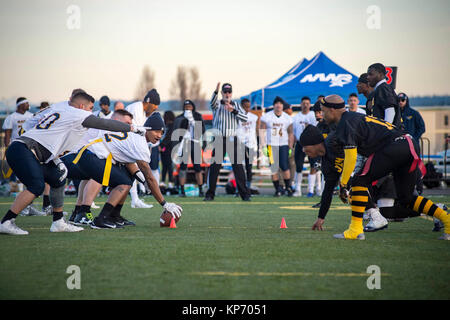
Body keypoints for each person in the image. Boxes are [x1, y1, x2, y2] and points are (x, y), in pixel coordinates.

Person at [0, 91, 144, 235]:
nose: (91, 112)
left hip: (25, 147)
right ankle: (6, 222)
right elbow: (103, 123)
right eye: (90, 108)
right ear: (82, 106)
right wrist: (131, 128)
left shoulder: (58, 107)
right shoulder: (79, 114)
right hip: (26, 150)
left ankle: (58, 222)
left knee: (58, 177)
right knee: (36, 186)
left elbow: (29, 122)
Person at [320, 94, 449, 240]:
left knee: (358, 181)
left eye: (323, 110)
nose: (322, 114)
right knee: (407, 198)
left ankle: (355, 229)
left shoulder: (346, 122)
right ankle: (447, 220)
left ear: (332, 110)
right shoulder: (352, 117)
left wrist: (343, 183)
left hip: (396, 146)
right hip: (408, 144)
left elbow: (351, 156)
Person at [72, 111, 182, 229]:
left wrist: (142, 180)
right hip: (92, 156)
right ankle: (101, 218)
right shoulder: (141, 143)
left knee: (128, 178)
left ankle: (113, 215)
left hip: (91, 154)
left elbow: (129, 162)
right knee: (124, 181)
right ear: (147, 129)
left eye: (162, 132)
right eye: (156, 131)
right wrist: (164, 203)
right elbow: (150, 176)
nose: (159, 135)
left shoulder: (138, 134)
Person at [203, 83, 251, 201]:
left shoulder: (236, 105)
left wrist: (233, 111)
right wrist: (215, 91)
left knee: (238, 167)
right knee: (215, 167)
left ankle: (244, 194)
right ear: (222, 93)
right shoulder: (218, 104)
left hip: (232, 138)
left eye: (229, 92)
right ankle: (210, 194)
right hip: (219, 138)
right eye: (225, 92)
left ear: (232, 93)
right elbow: (212, 103)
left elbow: (245, 118)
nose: (227, 94)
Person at [125, 89, 161, 208]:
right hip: (122, 146)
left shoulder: (142, 111)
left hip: (127, 146)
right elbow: (136, 132)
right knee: (126, 177)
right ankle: (134, 199)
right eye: (155, 105)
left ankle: (135, 199)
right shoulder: (136, 109)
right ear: (149, 102)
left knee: (128, 176)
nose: (156, 108)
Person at [260, 96, 294, 196]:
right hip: (271, 145)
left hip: (283, 144)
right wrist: (263, 146)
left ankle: (288, 187)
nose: (278, 105)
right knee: (274, 168)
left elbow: (291, 133)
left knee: (285, 167)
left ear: (283, 106)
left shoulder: (287, 118)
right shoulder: (267, 116)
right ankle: (278, 189)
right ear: (274, 105)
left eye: (280, 103)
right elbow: (262, 131)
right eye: (276, 103)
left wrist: (290, 146)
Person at [173, 99, 206, 197]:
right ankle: (182, 190)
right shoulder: (180, 117)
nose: (188, 109)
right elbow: (176, 131)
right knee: (183, 167)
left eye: (189, 107)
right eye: (186, 107)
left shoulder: (197, 116)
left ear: (193, 107)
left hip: (194, 142)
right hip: (184, 143)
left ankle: (200, 190)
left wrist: (204, 143)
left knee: (198, 167)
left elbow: (202, 130)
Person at [292, 96, 317, 197]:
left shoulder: (313, 116)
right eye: (303, 103)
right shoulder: (296, 117)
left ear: (310, 105)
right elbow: (293, 132)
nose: (305, 105)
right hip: (300, 143)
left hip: (311, 144)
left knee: (313, 166)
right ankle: (297, 189)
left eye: (307, 103)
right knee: (298, 166)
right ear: (300, 104)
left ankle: (311, 190)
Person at [366, 63, 402, 127]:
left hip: (388, 133)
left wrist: (385, 130)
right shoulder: (380, 89)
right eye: (367, 75)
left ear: (381, 74)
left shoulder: (383, 88)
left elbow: (390, 110)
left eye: (371, 74)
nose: (368, 77)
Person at [238, 98, 258, 190]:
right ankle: (239, 188)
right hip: (240, 144)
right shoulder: (236, 116)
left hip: (250, 144)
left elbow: (256, 130)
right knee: (239, 168)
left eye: (248, 107)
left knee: (249, 168)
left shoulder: (253, 117)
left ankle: (248, 188)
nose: (247, 109)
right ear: (241, 107)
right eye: (245, 107)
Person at [160, 111, 176, 190]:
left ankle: (170, 182)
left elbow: (169, 137)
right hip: (164, 149)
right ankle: (163, 181)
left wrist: (161, 145)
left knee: (169, 165)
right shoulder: (166, 126)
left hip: (169, 148)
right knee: (165, 165)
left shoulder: (172, 126)